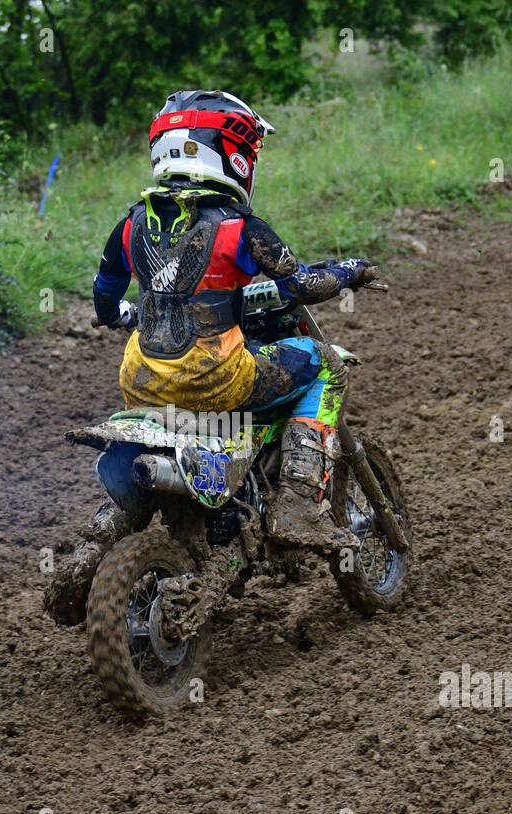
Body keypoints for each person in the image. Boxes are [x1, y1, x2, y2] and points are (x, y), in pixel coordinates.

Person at [45, 90, 379, 625]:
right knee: (321, 363)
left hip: (141, 383)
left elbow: (106, 302)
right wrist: (351, 268)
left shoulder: (133, 222)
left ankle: (85, 561)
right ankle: (295, 501)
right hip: (216, 381)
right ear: (229, 153)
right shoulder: (238, 226)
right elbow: (305, 285)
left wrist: (138, 317)